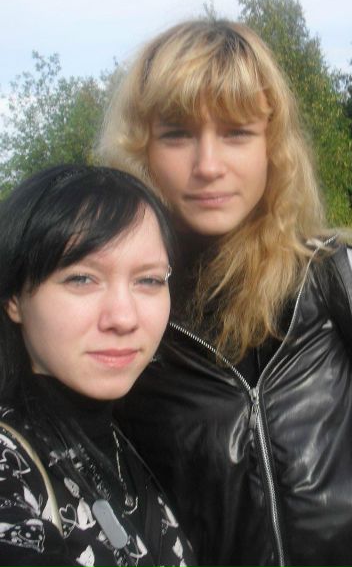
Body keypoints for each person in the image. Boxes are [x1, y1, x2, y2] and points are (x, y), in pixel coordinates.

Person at [98, 20, 352, 567]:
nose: (208, 166)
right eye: (177, 134)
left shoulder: (338, 275)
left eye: (237, 133)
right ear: (141, 148)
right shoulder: (113, 310)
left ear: (272, 146)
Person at [0, 164, 196, 566]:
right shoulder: (11, 468)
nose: (123, 318)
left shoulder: (135, 437)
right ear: (14, 298)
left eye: (149, 280)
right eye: (81, 279)